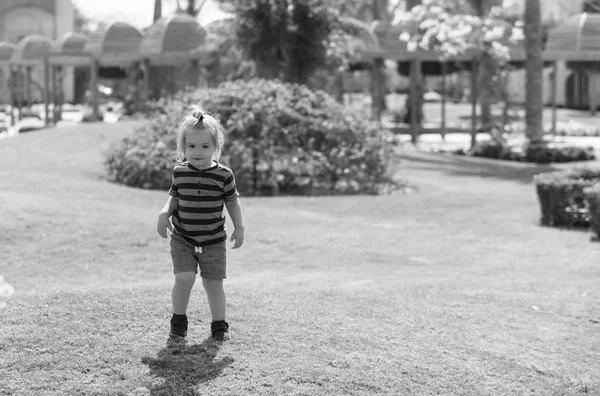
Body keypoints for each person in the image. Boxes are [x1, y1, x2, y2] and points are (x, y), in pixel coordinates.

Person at [157, 105, 244, 342]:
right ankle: (178, 321)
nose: (197, 152)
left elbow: (232, 203)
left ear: (215, 147)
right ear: (183, 147)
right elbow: (174, 198)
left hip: (214, 240)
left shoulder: (224, 175)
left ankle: (219, 325)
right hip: (183, 237)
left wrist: (240, 227)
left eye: (205, 146)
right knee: (184, 278)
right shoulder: (180, 172)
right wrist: (164, 213)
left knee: (213, 283)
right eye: (191, 146)